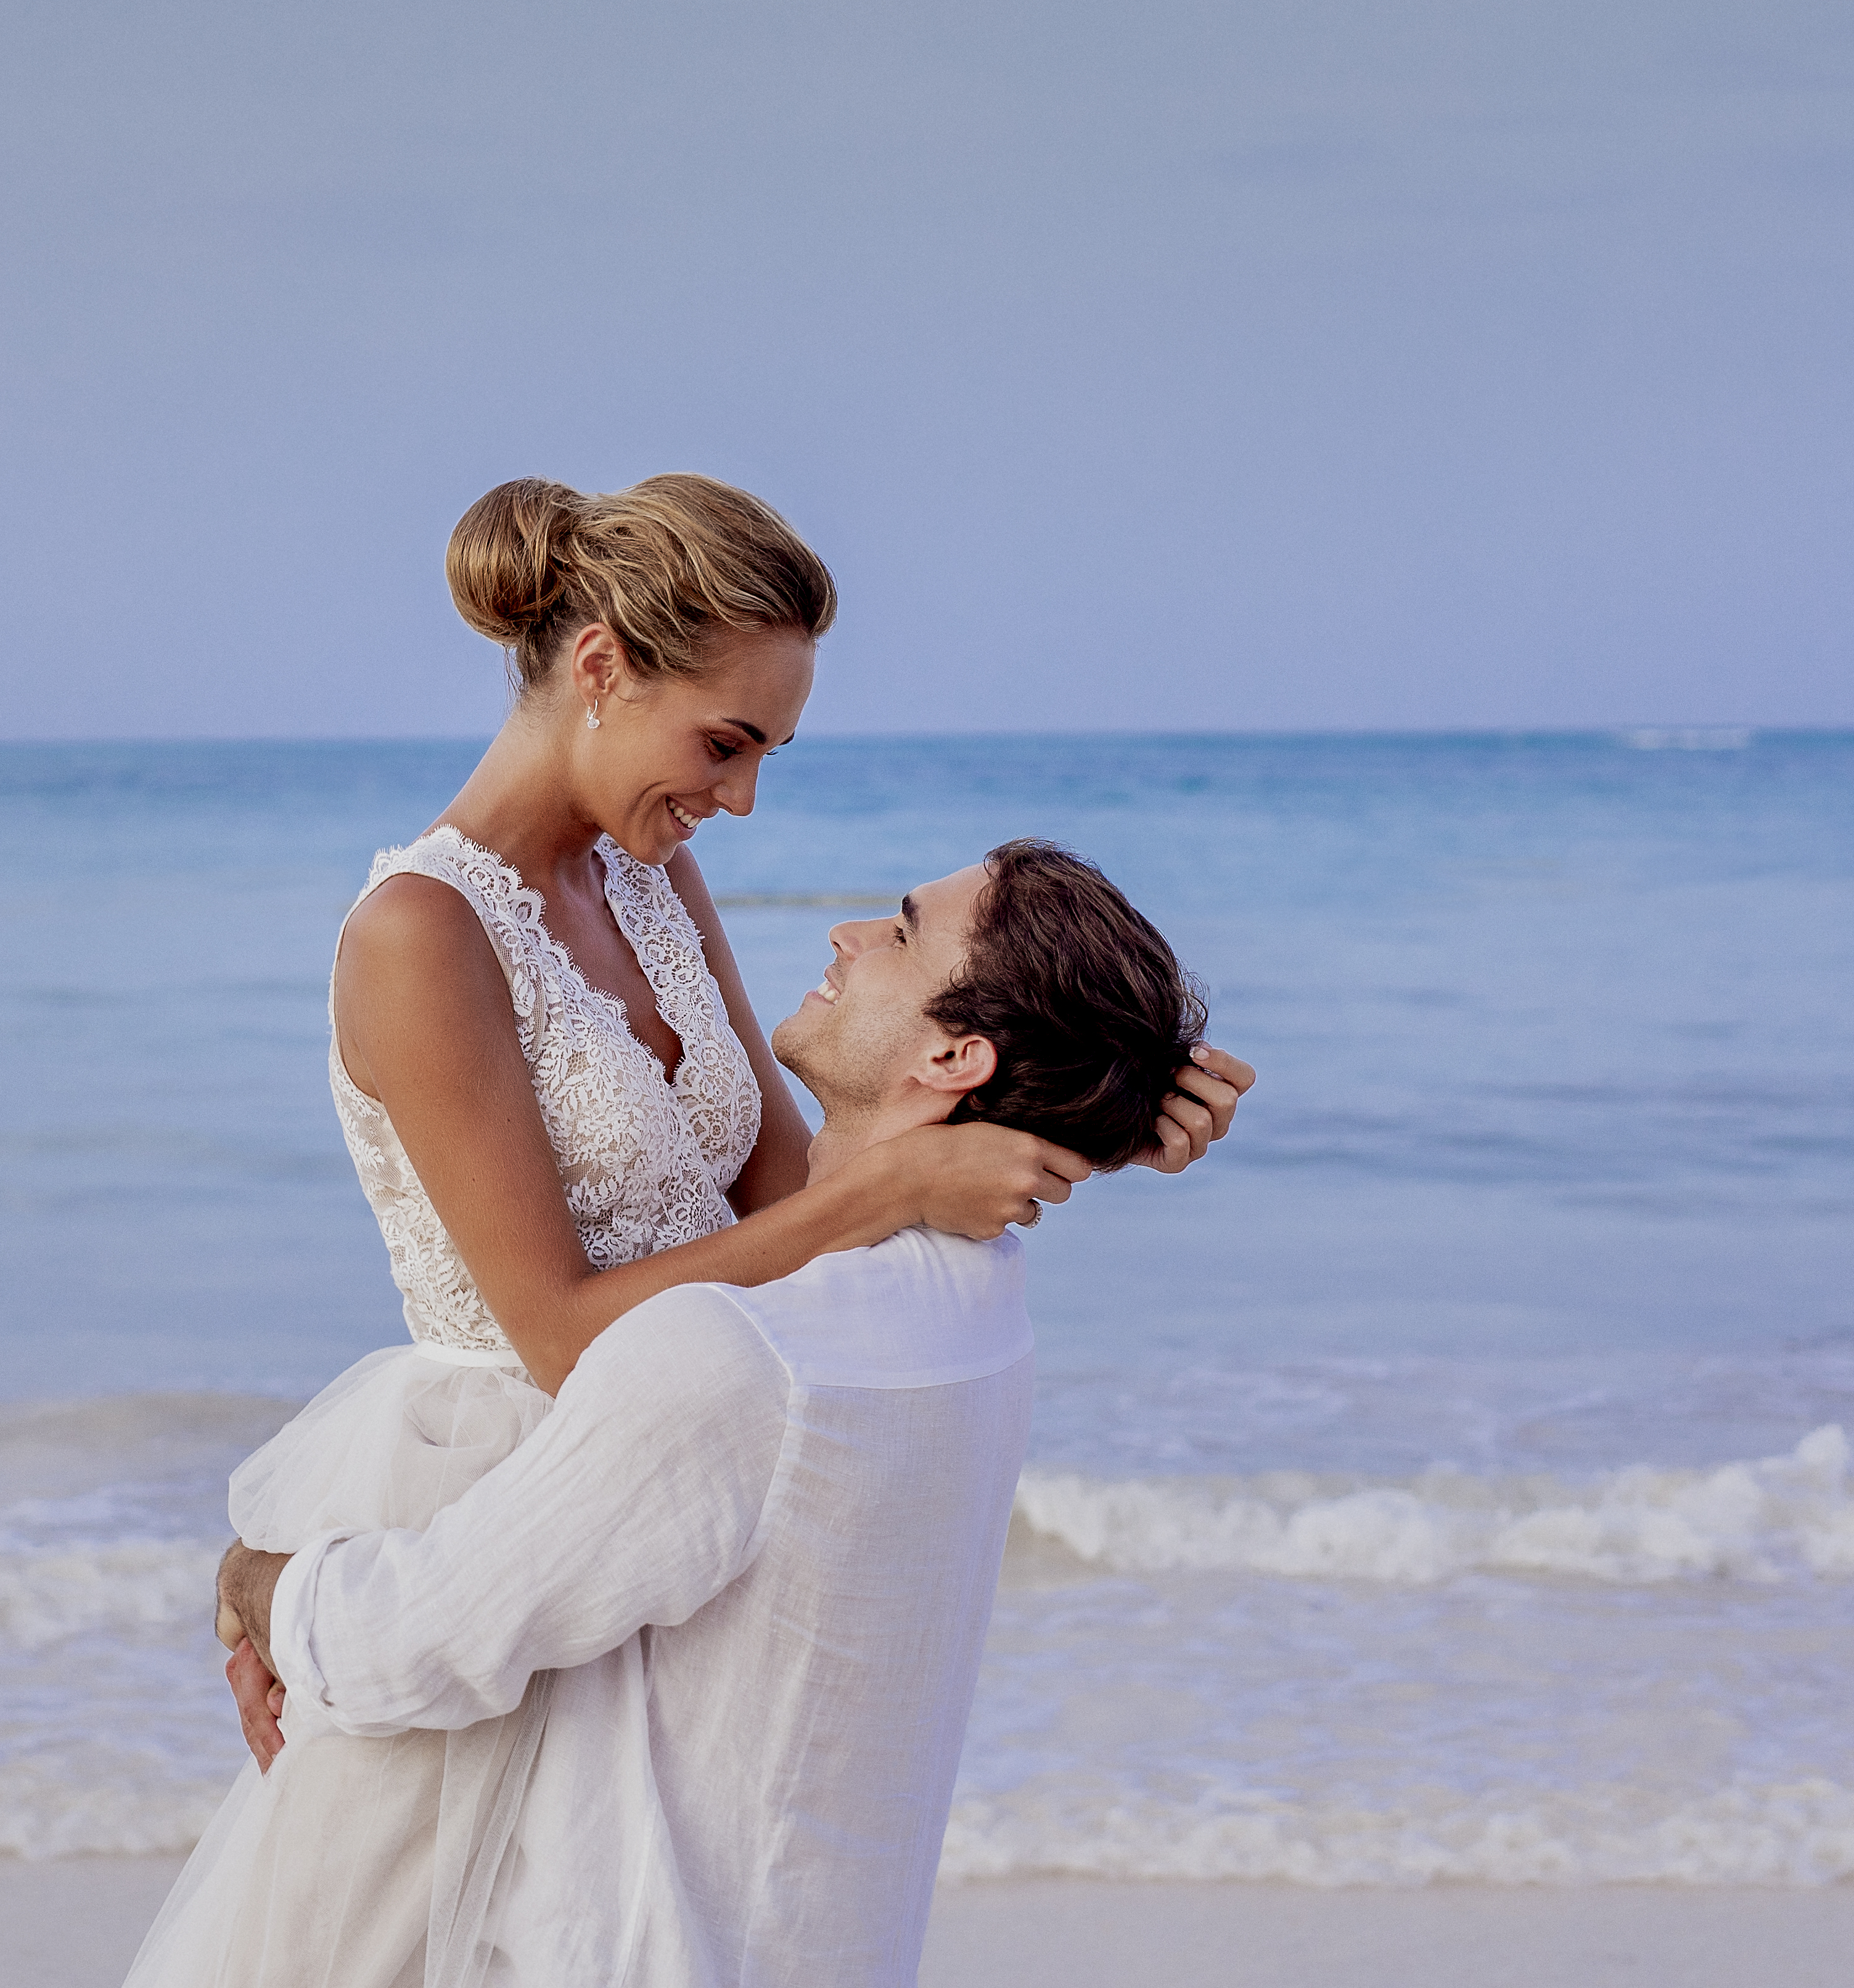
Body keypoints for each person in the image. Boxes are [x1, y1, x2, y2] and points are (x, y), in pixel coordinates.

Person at [118, 477, 1245, 1988]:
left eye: (769, 752)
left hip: (654, 1492)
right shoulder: (421, 937)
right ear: (599, 666)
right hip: (496, 1486)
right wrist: (900, 1187)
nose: (744, 797)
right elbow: (569, 1334)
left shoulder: (650, 876)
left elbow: (787, 1211)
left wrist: (1089, 1107)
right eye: (726, 742)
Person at [216, 840, 1213, 1986]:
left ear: (955, 1054)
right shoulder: (982, 1307)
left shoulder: (738, 1360)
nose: (848, 934)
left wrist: (257, 1581)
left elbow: (416, 1645)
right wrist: (1118, 1095)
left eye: (899, 928)